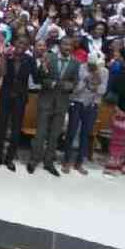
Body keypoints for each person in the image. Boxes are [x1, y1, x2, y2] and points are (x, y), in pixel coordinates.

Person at [29, 37, 80, 177]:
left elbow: (75, 81)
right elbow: (38, 78)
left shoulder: (76, 63)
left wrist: (71, 86)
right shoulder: (48, 57)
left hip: (62, 103)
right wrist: (47, 79)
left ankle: (48, 162)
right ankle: (34, 160)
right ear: (60, 45)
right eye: (65, 44)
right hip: (46, 100)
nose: (67, 47)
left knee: (54, 134)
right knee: (40, 133)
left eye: (70, 44)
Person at [0, 35, 39, 171]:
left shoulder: (30, 60)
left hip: (20, 98)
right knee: (1, 127)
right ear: (14, 43)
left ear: (27, 47)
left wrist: (43, 66)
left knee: (15, 129)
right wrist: (2, 56)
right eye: (20, 42)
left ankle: (9, 159)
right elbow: (2, 73)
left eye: (25, 43)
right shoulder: (7, 56)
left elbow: (36, 79)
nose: (21, 45)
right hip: (6, 96)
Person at [62, 51, 108, 175]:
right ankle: (66, 161)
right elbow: (75, 90)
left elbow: (102, 91)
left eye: (96, 66)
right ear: (88, 62)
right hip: (77, 102)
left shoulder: (104, 71)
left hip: (92, 105)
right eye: (92, 65)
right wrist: (87, 81)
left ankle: (79, 163)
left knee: (85, 134)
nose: (94, 68)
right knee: (71, 132)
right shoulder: (80, 68)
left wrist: (96, 83)